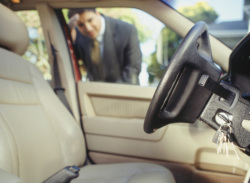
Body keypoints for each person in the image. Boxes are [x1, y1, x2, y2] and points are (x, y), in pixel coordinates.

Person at [68, 8, 142, 84]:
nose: (88, 28)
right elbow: (70, 61)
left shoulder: (127, 31)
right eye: (81, 25)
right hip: (92, 92)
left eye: (90, 20)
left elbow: (132, 70)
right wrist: (70, 40)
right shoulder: (78, 35)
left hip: (124, 91)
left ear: (97, 13)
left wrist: (108, 92)